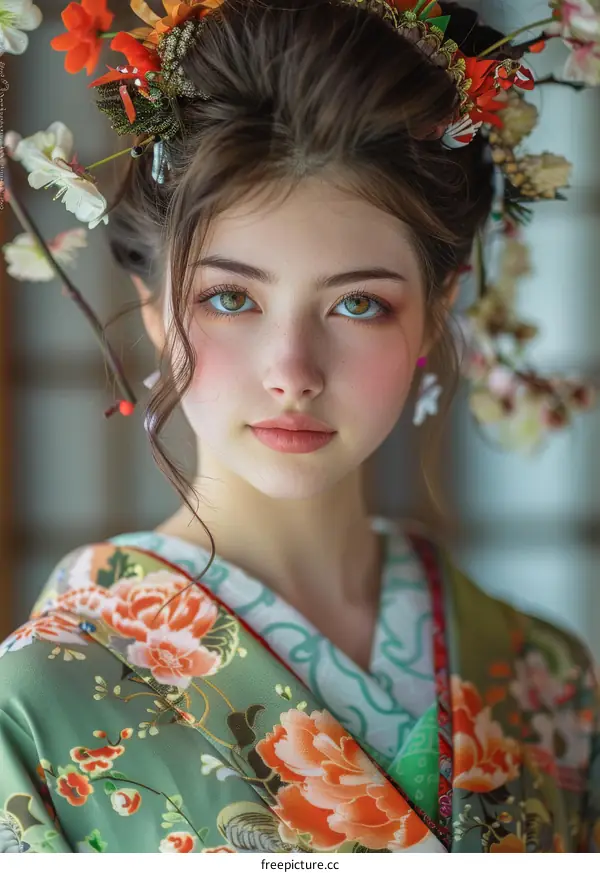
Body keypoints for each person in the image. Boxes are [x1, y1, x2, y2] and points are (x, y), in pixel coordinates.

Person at [1, 0, 598, 854]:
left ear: (437, 310)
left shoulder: (545, 675)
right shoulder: (39, 698)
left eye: (359, 303)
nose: (293, 370)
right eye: (230, 297)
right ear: (155, 308)